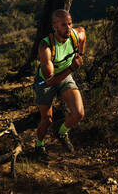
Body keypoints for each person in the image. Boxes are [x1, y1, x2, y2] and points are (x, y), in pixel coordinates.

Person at [33, 9, 86, 160]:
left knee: (78, 114)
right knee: (47, 119)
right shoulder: (46, 48)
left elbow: (83, 32)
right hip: (46, 83)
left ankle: (61, 133)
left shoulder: (75, 35)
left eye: (70, 24)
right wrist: (72, 68)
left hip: (66, 76)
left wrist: (79, 54)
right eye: (64, 25)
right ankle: (39, 145)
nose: (68, 28)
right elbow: (50, 80)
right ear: (54, 26)